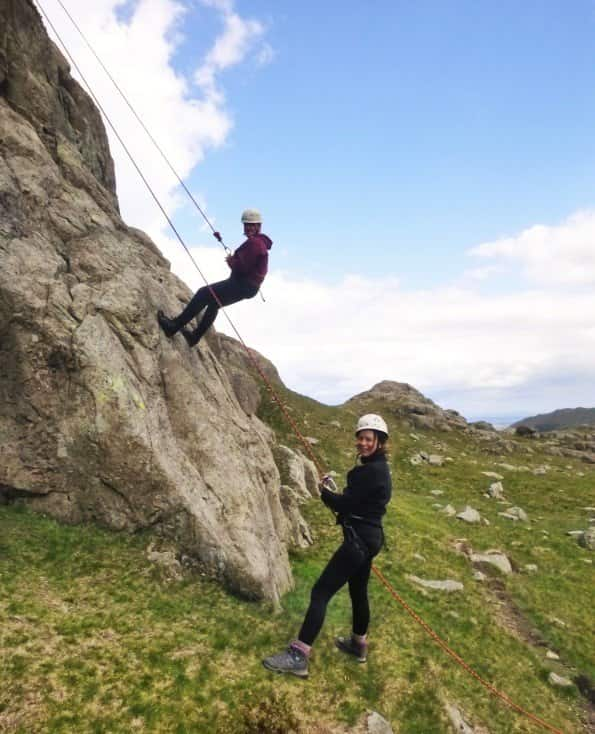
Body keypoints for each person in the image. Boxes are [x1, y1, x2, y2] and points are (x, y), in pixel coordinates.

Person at [263, 414, 392, 678]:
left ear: (379, 441)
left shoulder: (369, 472)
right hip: (370, 538)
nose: (362, 443)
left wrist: (325, 493)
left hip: (358, 542)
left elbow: (345, 505)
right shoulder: (379, 469)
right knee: (358, 591)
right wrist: (337, 495)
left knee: (320, 592)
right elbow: (356, 502)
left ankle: (299, 655)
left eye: (368, 439)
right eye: (360, 438)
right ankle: (358, 644)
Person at [157, 209, 272, 347]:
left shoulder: (255, 243)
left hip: (243, 284)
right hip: (249, 287)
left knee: (203, 293)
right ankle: (194, 337)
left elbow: (242, 268)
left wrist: (232, 262)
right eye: (246, 224)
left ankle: (173, 326)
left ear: (259, 226)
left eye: (252, 225)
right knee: (214, 303)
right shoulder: (259, 243)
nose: (248, 228)